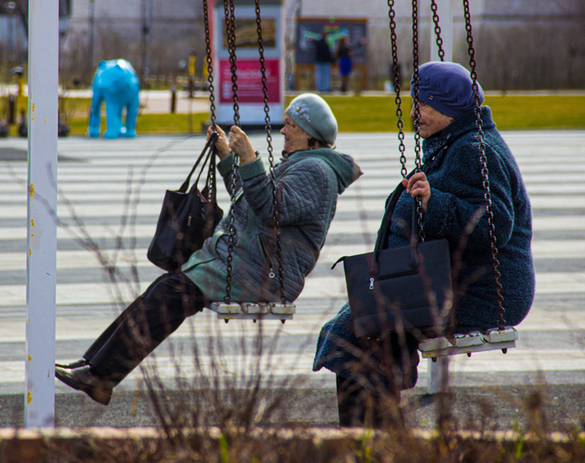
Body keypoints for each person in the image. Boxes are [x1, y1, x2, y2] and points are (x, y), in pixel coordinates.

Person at [56, 93, 362, 406]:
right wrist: (229, 158)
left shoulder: (316, 172)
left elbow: (271, 209)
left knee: (168, 295)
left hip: (264, 274)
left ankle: (100, 375)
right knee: (163, 290)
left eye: (289, 125)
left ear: (309, 135)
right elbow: (250, 200)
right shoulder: (303, 164)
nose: (282, 131)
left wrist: (250, 159)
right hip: (248, 264)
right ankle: (94, 368)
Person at [313, 61, 535, 428]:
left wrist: (436, 203)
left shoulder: (473, 149)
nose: (415, 113)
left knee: (359, 330)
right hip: (451, 280)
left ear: (448, 108)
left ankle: (371, 440)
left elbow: (496, 225)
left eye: (424, 104)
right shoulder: (454, 141)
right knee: (363, 323)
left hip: (482, 290)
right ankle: (374, 436)